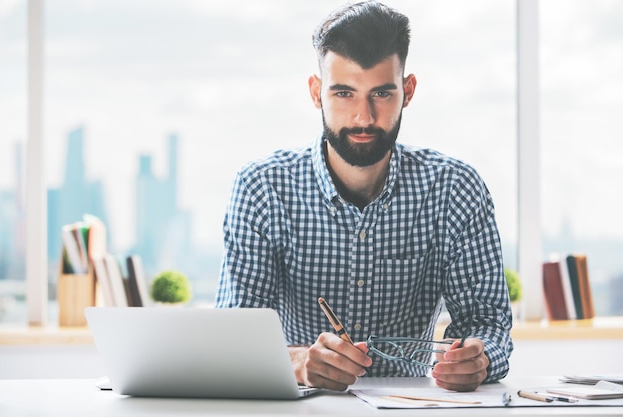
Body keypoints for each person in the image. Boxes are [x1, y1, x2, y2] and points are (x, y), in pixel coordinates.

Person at [216, 1, 513, 393]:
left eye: (381, 94)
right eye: (343, 93)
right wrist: (299, 362)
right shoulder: (262, 188)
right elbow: (233, 339)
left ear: (407, 91)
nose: (364, 117)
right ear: (316, 92)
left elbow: (487, 323)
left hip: (409, 406)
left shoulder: (454, 189)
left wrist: (478, 356)